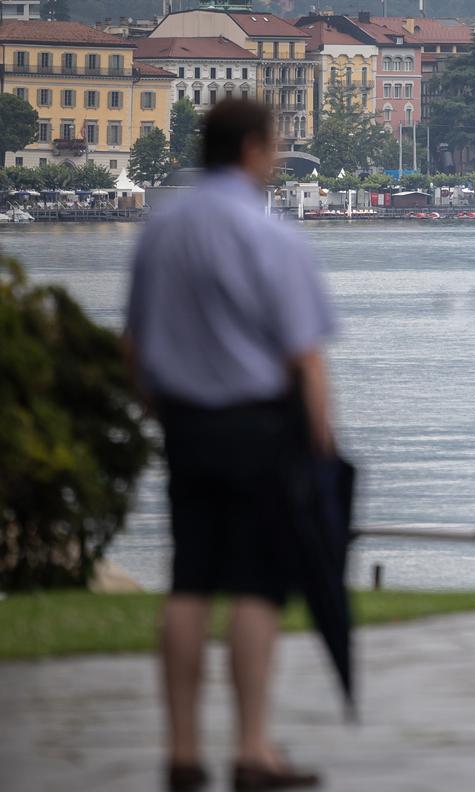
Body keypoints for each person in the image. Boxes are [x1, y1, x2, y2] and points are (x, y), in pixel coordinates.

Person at [124, 99, 335, 792]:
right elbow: (305, 356)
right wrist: (321, 446)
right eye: (275, 145)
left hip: (186, 424)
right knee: (254, 587)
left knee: (188, 583)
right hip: (258, 426)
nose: (277, 157)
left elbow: (134, 343)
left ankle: (182, 751)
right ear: (250, 148)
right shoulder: (271, 234)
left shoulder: (162, 227)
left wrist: (159, 408)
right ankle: (252, 748)